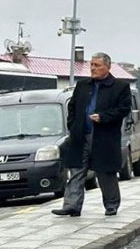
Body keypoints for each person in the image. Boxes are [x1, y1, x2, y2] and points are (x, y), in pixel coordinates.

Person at [53, 53, 132, 217]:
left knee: (105, 172)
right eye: (92, 65)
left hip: (104, 136)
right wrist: (73, 126)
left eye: (97, 65)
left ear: (107, 67)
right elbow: (72, 107)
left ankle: (111, 204)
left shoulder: (120, 87)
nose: (93, 68)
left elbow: (123, 109)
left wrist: (103, 117)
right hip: (81, 135)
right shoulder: (83, 85)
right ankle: (72, 205)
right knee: (76, 170)